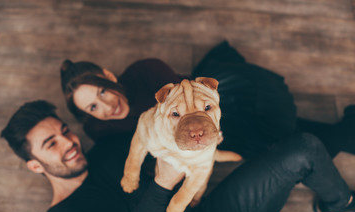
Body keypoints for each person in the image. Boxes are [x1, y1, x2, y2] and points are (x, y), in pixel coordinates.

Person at [0, 100, 355, 212]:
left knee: (303, 147)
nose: (69, 143)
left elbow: (161, 132)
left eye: (64, 132)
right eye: (52, 145)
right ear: (34, 165)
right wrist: (161, 185)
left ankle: (338, 202)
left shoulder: (109, 151)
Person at [60, 41, 297, 160]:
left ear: (109, 76)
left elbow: (192, 113)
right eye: (93, 107)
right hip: (182, 141)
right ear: (87, 115)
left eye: (103, 91)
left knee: (278, 130)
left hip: (204, 112)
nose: (108, 106)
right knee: (272, 151)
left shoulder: (146, 71)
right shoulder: (97, 128)